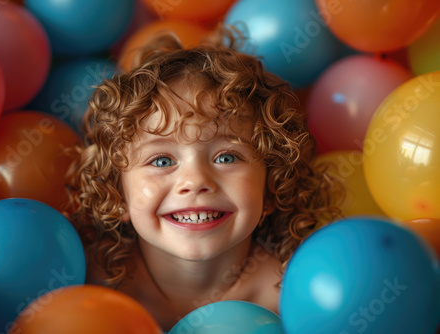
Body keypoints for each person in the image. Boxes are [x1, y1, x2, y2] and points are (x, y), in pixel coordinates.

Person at [66, 27, 343, 331]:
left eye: (226, 157)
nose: (195, 180)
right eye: (161, 160)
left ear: (272, 186)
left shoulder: (290, 294)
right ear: (117, 194)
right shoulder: (92, 285)